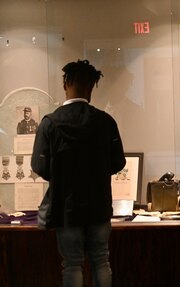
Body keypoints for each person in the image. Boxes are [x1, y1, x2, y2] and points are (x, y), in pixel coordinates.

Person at [31, 59, 126, 287]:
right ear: (92, 87)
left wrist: (62, 176)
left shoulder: (49, 123)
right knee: (101, 261)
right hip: (99, 206)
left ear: (65, 84)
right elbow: (118, 163)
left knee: (72, 264)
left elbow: (39, 166)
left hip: (66, 209)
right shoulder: (106, 122)